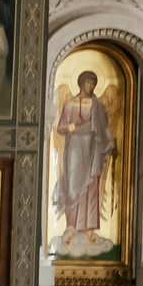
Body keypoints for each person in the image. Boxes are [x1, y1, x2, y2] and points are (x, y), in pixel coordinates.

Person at [51, 69, 115, 254]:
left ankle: (88, 230)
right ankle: (70, 227)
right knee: (72, 186)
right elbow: (61, 128)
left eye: (94, 83)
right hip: (74, 148)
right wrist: (73, 126)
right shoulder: (70, 104)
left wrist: (109, 144)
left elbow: (105, 129)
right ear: (80, 83)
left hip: (92, 149)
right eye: (88, 82)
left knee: (90, 187)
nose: (91, 86)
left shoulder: (98, 105)